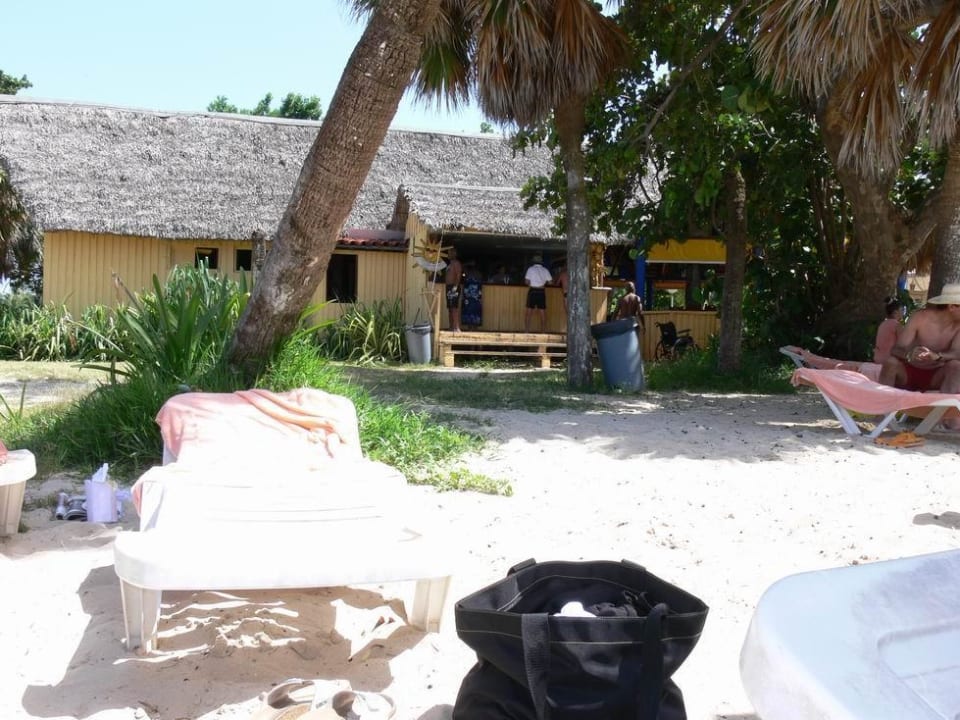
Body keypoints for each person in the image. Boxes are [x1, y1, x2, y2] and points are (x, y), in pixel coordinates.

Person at [879, 283, 960, 392]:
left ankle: (947, 402)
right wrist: (910, 355)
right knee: (890, 362)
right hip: (908, 371)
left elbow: (956, 353)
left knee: (956, 366)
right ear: (952, 307)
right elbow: (896, 349)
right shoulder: (919, 317)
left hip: (935, 376)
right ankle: (882, 400)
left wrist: (937, 356)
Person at [524, 254, 552, 331]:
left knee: (529, 312)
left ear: (533, 261)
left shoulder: (530, 269)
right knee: (542, 312)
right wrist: (543, 283)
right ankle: (543, 331)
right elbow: (550, 282)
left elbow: (526, 282)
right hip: (541, 291)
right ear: (541, 262)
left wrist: (531, 283)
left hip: (532, 291)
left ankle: (527, 331)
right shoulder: (545, 270)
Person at [874, 295, 903, 363]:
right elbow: (903, 343)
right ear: (895, 312)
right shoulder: (897, 325)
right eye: (901, 310)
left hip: (878, 358)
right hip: (889, 360)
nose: (903, 313)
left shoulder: (882, 324)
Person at [444, 247, 464, 332]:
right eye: (448, 253)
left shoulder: (456, 263)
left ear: (454, 254)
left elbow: (459, 275)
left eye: (450, 253)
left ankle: (456, 327)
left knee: (454, 307)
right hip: (448, 287)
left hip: (454, 287)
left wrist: (456, 286)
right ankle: (451, 326)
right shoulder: (449, 264)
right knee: (450, 307)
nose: (449, 254)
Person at [462, 262, 483, 328]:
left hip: (474, 296)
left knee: (473, 309)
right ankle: (471, 325)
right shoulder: (467, 274)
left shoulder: (477, 274)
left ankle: (473, 326)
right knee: (470, 309)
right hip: (470, 296)